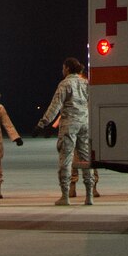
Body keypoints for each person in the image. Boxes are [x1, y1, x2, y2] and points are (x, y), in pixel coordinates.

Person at [41, 56, 97, 205]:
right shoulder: (86, 83)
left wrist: (43, 123)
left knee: (65, 160)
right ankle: (89, 196)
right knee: (86, 160)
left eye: (63, 67)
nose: (62, 70)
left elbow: (55, 105)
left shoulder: (65, 84)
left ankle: (65, 196)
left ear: (67, 68)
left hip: (69, 125)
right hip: (85, 124)